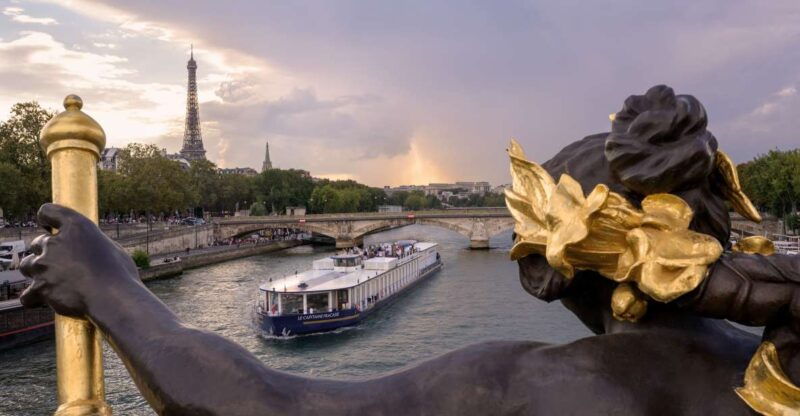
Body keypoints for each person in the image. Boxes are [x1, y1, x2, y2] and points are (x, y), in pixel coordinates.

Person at [20, 86, 800, 415]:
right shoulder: (776, 363)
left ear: (554, 269)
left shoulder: (526, 385)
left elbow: (264, 407)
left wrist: (112, 285)